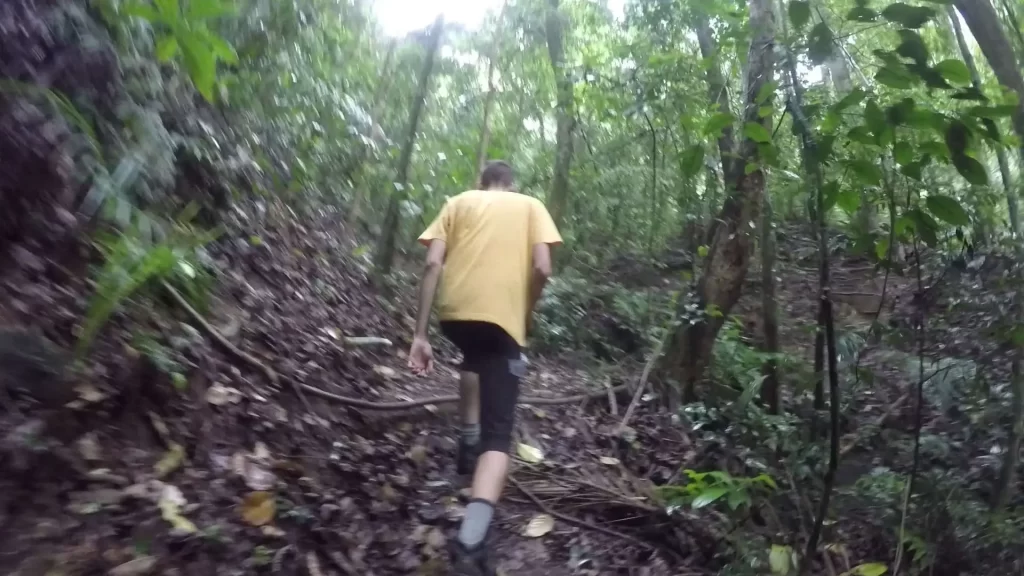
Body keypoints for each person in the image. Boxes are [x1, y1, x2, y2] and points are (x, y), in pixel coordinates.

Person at [408, 160, 562, 575]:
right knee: (501, 436)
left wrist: (420, 336)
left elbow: (432, 265)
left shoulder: (457, 203)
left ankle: (466, 443)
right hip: (502, 321)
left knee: (474, 358)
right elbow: (543, 267)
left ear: (481, 184)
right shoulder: (529, 205)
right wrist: (524, 312)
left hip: (453, 317)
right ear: (511, 185)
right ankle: (470, 542)